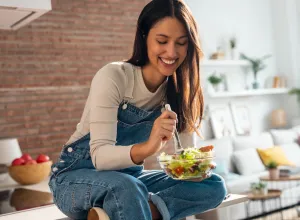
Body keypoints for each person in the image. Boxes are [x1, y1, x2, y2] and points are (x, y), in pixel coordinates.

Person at [48, 0, 227, 219]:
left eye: (181, 43)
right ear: (144, 37)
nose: (172, 52)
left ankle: (121, 211)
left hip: (129, 181)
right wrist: (150, 146)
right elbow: (100, 157)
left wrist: (197, 166)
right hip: (75, 179)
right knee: (126, 188)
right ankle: (126, 207)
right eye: (162, 41)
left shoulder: (179, 90)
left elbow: (187, 160)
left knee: (214, 185)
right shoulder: (114, 76)